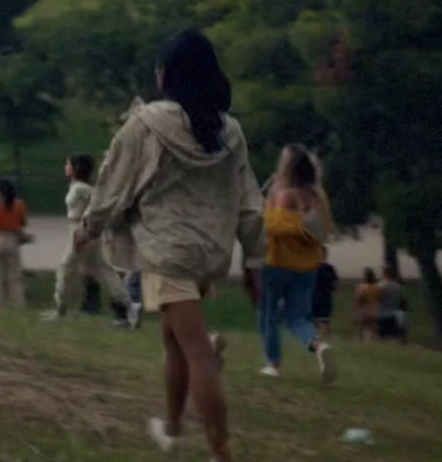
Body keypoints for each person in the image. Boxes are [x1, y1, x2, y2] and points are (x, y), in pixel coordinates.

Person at [75, 30, 264, 462]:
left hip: (168, 250)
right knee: (174, 340)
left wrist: (90, 225)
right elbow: (250, 199)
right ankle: (173, 429)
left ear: (166, 75)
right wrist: (255, 255)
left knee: (198, 351)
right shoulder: (228, 129)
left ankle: (221, 452)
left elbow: (114, 183)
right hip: (209, 251)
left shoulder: (147, 124)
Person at [256, 145, 336, 383]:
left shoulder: (280, 192)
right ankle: (319, 346)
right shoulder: (318, 196)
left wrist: (264, 206)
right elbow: (324, 231)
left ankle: (273, 364)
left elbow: (271, 227)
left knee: (268, 314)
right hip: (307, 267)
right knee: (297, 316)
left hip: (277, 262)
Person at [45, 153, 101, 320]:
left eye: (68, 165)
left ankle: (60, 308)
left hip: (79, 230)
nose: (65, 168)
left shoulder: (82, 189)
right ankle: (122, 305)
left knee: (66, 268)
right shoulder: (76, 187)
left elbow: (96, 205)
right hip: (76, 229)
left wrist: (84, 227)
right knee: (95, 270)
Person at [0, 178, 29, 307]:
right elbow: (22, 224)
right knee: (15, 274)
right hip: (12, 239)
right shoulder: (19, 205)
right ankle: (17, 302)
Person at [376, 265, 408, 342]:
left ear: (384, 274)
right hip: (395, 314)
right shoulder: (397, 286)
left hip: (381, 314)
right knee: (396, 338)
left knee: (382, 339)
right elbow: (402, 300)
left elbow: (377, 299)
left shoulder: (379, 286)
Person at [354, 268, 382, 343]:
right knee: (374, 328)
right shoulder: (377, 287)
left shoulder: (361, 287)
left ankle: (361, 341)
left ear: (365, 277)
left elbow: (358, 300)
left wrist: (356, 313)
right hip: (376, 311)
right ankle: (374, 341)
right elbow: (380, 299)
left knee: (361, 328)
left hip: (365, 312)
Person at [313, 261, 339, 340]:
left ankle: (313, 341)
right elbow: (335, 283)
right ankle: (325, 340)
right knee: (323, 321)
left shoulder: (309, 266)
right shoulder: (328, 268)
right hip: (325, 298)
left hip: (312, 297)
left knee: (313, 321)